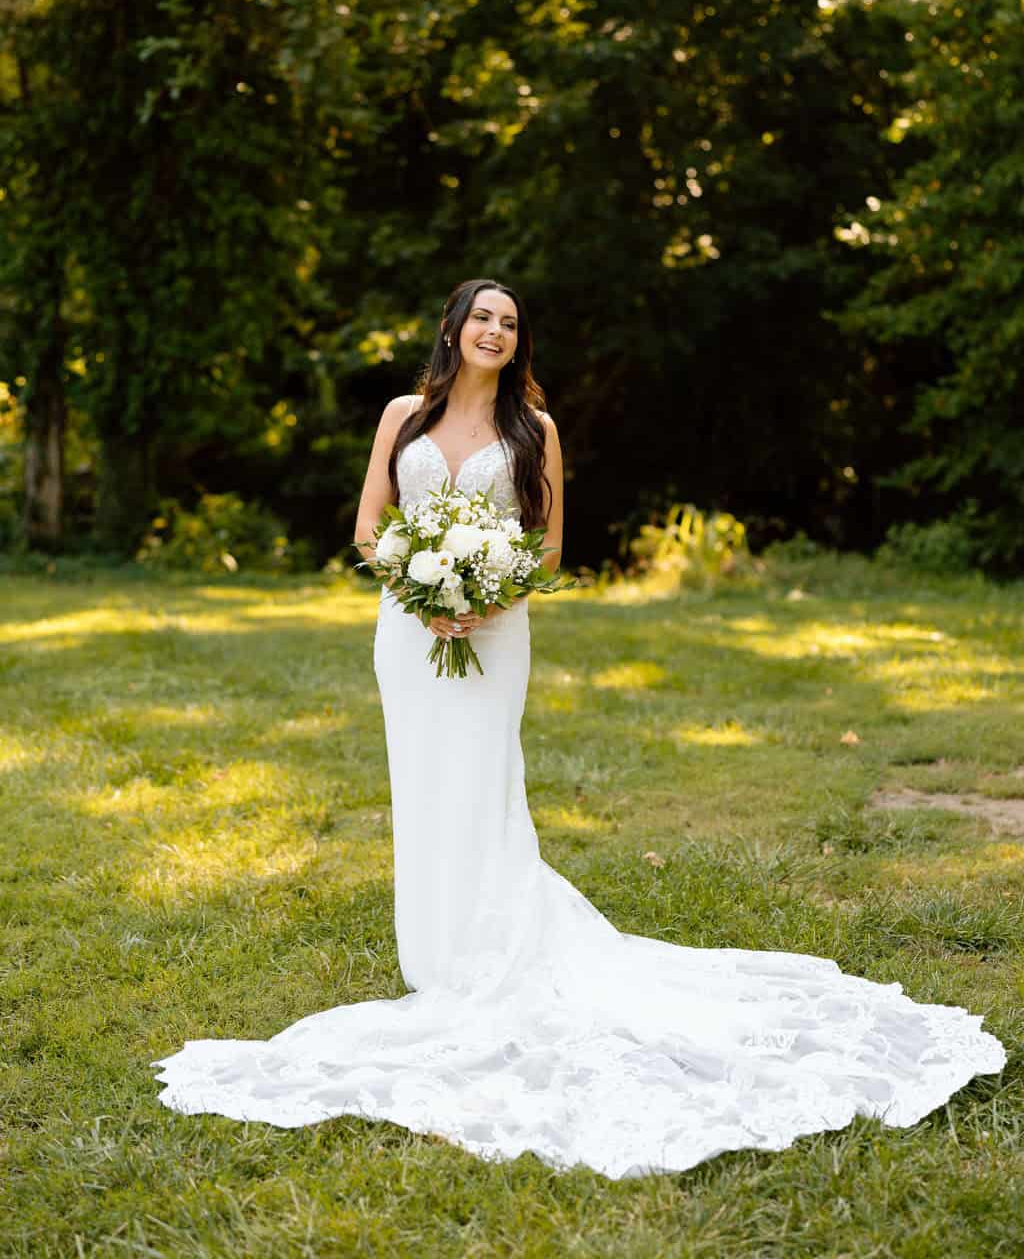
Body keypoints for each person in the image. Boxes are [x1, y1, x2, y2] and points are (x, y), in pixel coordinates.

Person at [153, 277, 1005, 1179]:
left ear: (520, 344)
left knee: (483, 780)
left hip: (495, 629)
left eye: (510, 323)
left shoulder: (535, 431)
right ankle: (437, 952)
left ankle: (491, 947)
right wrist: (418, 589)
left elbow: (550, 549)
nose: (494, 331)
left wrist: (483, 598)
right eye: (481, 317)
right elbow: (371, 527)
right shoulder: (402, 414)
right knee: (424, 782)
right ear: (452, 329)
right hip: (407, 634)